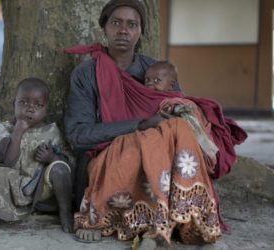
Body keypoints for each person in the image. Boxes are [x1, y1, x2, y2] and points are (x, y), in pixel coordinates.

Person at [63, 0, 247, 245]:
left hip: (159, 151)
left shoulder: (156, 70)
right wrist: (140, 125)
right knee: (141, 144)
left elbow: (179, 111)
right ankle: (120, 220)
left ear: (140, 32)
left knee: (178, 130)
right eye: (116, 23)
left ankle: (177, 220)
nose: (123, 30)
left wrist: (160, 127)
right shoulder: (86, 74)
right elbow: (78, 135)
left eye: (132, 24)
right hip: (108, 151)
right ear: (104, 27)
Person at [0, 77, 74, 240]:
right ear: (14, 103)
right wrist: (18, 133)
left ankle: (65, 212)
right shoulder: (7, 129)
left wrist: (52, 157)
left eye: (38, 105)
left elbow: (67, 159)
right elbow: (7, 163)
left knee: (60, 169)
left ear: (46, 109)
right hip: (12, 185)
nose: (30, 109)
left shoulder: (51, 131)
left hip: (40, 188)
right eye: (23, 103)